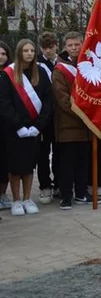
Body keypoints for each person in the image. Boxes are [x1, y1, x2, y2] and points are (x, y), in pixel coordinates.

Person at [1, 39, 54, 216]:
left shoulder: (40, 72)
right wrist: (18, 125)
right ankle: (16, 200)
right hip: (15, 130)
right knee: (16, 166)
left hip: (34, 129)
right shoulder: (8, 74)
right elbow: (4, 103)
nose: (30, 53)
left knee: (30, 165)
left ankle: (27, 198)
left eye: (32, 50)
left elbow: (47, 101)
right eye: (25, 51)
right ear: (19, 53)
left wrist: (38, 126)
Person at [52, 35, 92, 209]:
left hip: (87, 125)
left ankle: (82, 192)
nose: (74, 48)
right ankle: (66, 195)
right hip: (68, 123)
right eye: (70, 45)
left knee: (83, 162)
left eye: (77, 44)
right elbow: (62, 99)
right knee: (67, 163)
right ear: (65, 47)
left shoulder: (89, 65)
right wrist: (83, 113)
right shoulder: (60, 69)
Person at [35, 32, 60, 204]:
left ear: (56, 45)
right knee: (42, 154)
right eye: (45, 48)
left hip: (60, 116)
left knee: (60, 152)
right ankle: (45, 186)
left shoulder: (63, 62)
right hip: (44, 116)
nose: (48, 51)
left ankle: (59, 183)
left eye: (51, 47)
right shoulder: (37, 64)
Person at [0, 41, 11, 210]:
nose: (1, 57)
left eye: (3, 54)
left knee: (5, 163)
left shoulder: (10, 74)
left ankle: (2, 194)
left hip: (7, 125)